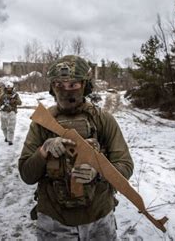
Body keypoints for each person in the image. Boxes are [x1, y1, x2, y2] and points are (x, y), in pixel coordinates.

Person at [18, 55, 134, 240]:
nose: (65, 91)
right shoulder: (42, 122)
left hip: (99, 219)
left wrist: (98, 171)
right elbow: (26, 174)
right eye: (59, 84)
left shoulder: (103, 120)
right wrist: (44, 151)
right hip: (54, 221)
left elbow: (125, 165)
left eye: (73, 85)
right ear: (52, 87)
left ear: (85, 85)